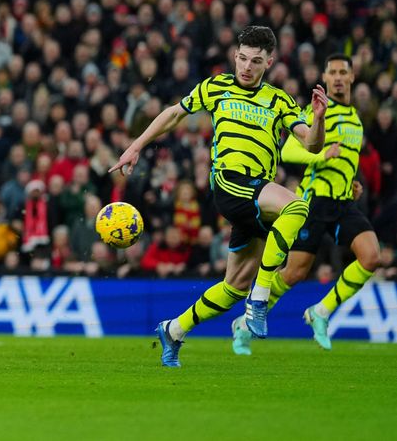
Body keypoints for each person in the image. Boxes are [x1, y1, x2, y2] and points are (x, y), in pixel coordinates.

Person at [111, 26, 328, 367]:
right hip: (229, 182)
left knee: (233, 287)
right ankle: (259, 301)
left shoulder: (279, 100)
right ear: (235, 55)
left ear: (268, 62)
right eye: (242, 58)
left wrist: (319, 119)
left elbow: (312, 143)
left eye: (256, 61)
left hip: (256, 196)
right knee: (298, 206)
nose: (246, 66)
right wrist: (135, 146)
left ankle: (174, 329)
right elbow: (174, 113)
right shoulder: (217, 86)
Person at [232, 54, 382, 354]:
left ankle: (321, 312)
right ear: (324, 79)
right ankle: (245, 323)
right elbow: (289, 150)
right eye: (333, 73)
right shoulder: (317, 112)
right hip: (312, 201)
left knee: (371, 257)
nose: (338, 77)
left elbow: (347, 158)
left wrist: (350, 181)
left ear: (352, 78)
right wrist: (321, 156)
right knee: (294, 273)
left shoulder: (355, 119)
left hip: (341, 202)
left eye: (344, 72)